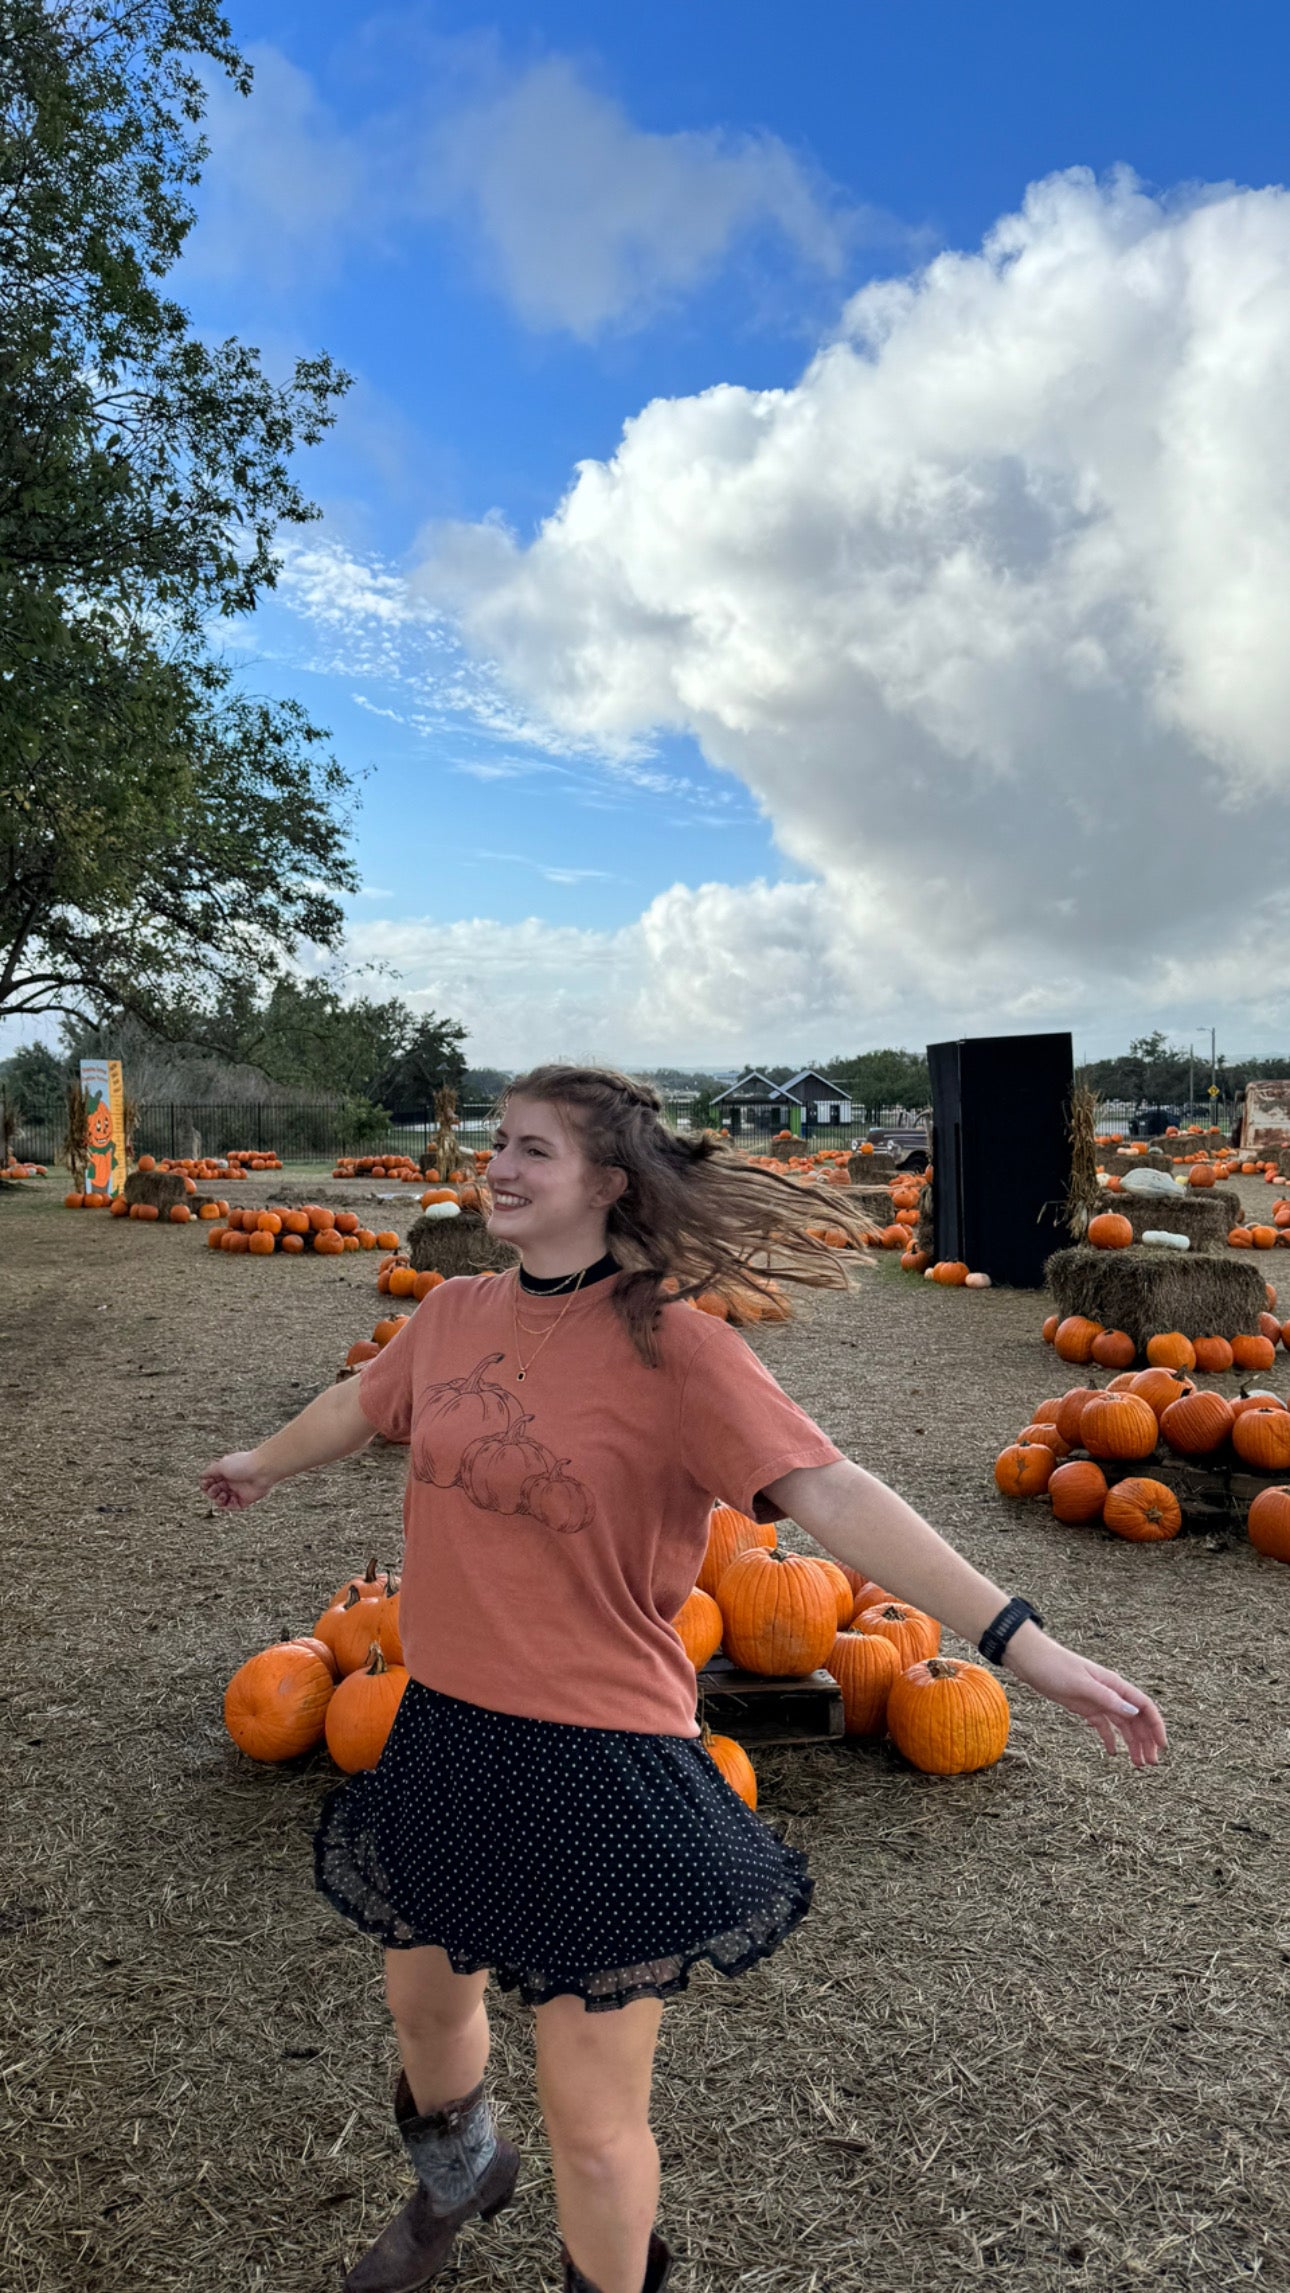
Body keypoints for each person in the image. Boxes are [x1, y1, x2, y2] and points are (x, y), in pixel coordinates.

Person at [201, 1067, 1165, 2293]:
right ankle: (458, 2176)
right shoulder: (450, 1314)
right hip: (444, 1730)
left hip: (598, 1762)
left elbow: (832, 1491)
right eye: (498, 1142)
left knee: (594, 2128)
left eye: (533, 1150)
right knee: (428, 2014)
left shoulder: (679, 1347)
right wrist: (263, 1462)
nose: (498, 1166)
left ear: (608, 1183)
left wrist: (1023, 1640)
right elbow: (362, 1401)